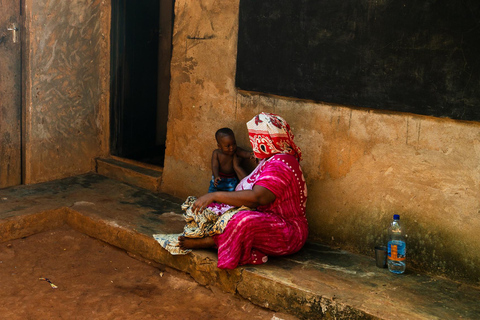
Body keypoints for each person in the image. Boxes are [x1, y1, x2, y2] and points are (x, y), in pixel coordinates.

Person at [179, 112, 308, 269]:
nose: (252, 142)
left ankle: (211, 242)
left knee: (243, 220)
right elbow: (249, 185)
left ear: (266, 139)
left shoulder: (281, 163)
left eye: (255, 137)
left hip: (288, 232)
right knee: (214, 210)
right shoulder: (270, 159)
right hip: (267, 219)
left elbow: (258, 197)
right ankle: (221, 239)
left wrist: (215, 195)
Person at [208, 128, 253, 193]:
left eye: (234, 143)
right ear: (219, 146)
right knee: (212, 193)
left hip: (231, 180)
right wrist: (216, 176)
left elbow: (245, 153)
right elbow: (215, 166)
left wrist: (252, 154)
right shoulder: (216, 153)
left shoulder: (236, 150)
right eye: (228, 146)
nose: (232, 147)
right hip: (218, 179)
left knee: (230, 196)